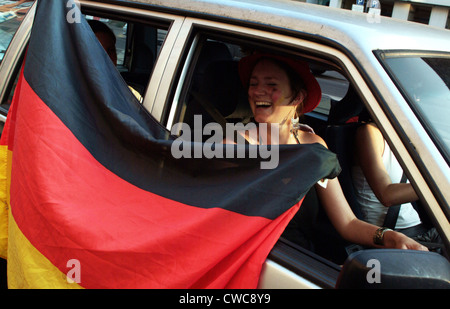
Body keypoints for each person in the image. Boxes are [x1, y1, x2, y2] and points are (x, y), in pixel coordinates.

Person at [226, 52, 427, 251]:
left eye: (271, 85)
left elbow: (347, 223)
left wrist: (390, 237)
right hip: (258, 258)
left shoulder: (314, 146)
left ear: (297, 97)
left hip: (300, 258)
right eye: (253, 84)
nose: (258, 91)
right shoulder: (233, 147)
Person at [352, 122, 441, 244]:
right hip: (392, 234)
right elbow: (386, 196)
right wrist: (438, 186)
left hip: (420, 229)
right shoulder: (369, 133)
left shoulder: (408, 136)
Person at [88, 20, 143, 102]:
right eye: (98, 51)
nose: (107, 57)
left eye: (111, 50)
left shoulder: (131, 96)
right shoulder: (68, 93)